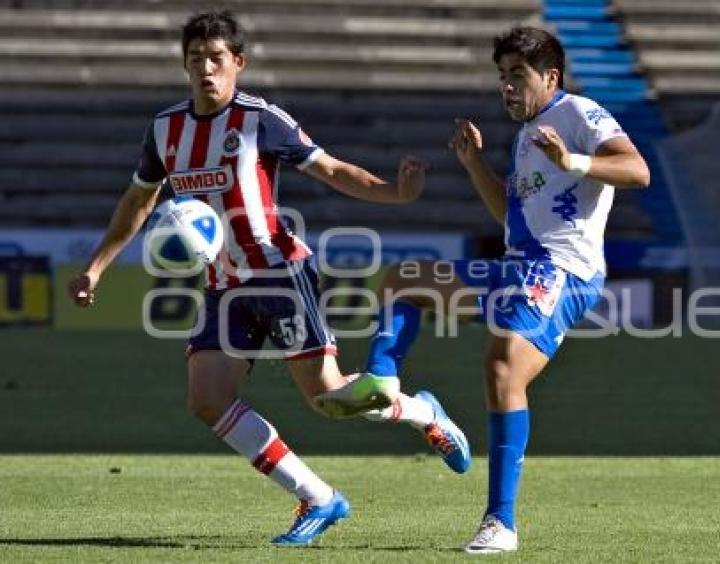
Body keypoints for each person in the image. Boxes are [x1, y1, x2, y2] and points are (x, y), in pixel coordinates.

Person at [67, 10, 470, 547]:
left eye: (216, 59)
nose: (205, 69)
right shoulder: (165, 130)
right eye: (195, 60)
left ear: (238, 63)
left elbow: (329, 169)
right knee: (207, 398)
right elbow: (139, 200)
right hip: (224, 285)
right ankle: (320, 498)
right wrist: (96, 266)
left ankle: (421, 412)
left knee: (329, 400)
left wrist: (394, 192)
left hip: (280, 274)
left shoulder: (260, 119)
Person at [316, 26, 650, 553]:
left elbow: (637, 169)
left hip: (563, 272)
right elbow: (510, 217)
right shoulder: (526, 136)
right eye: (501, 77)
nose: (507, 87)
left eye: (518, 75)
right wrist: (474, 164)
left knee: (502, 367)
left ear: (551, 77)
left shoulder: (579, 115)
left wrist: (574, 162)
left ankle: (501, 523)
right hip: (517, 266)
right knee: (405, 279)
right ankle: (383, 380)